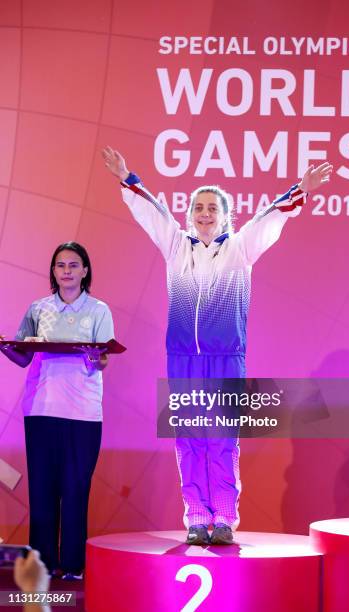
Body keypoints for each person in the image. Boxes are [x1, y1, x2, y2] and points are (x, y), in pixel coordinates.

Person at [102, 146, 332, 545]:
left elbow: (271, 215)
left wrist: (302, 189)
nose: (205, 214)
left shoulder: (240, 250)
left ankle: (224, 518)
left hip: (226, 360)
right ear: (190, 215)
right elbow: (153, 211)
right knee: (190, 438)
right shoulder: (177, 248)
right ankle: (195, 517)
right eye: (199, 208)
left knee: (223, 439)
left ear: (226, 215)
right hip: (183, 360)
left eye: (213, 208)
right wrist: (127, 177)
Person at [0, 242, 114, 578]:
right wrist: (6, 346)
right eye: (60, 265)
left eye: (73, 265)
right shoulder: (38, 309)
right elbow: (23, 356)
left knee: (76, 487)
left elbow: (102, 359)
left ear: (85, 271)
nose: (66, 270)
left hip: (83, 412)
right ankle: (44, 563)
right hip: (41, 409)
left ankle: (74, 565)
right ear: (53, 271)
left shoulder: (98, 310)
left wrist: (94, 355)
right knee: (43, 488)